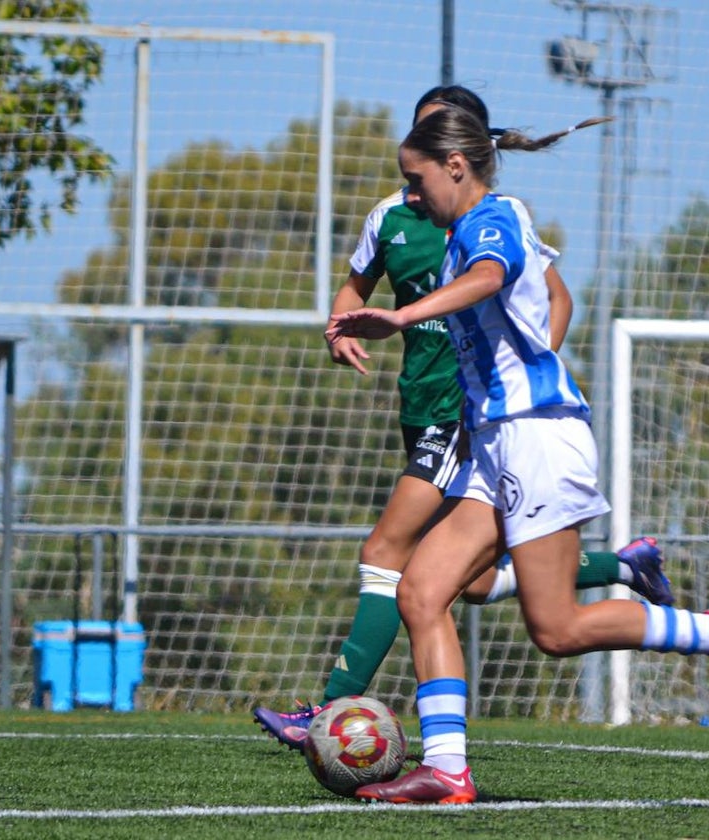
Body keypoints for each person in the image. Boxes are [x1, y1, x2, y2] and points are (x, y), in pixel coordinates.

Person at [326, 105, 709, 804]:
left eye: (415, 182)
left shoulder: (492, 216)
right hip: (495, 443)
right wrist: (380, 325)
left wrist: (406, 313)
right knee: (421, 592)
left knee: (556, 629)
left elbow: (493, 273)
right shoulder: (451, 237)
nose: (410, 197)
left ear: (455, 167)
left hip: (536, 435)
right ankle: (448, 769)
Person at [253, 86, 673, 751]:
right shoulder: (392, 216)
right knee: (472, 583)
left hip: (464, 413)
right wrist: (339, 329)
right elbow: (355, 287)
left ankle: (330, 711)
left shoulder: (491, 219)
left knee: (387, 553)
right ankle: (624, 567)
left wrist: (517, 381)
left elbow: (550, 297)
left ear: (458, 155)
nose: (415, 177)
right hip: (419, 407)